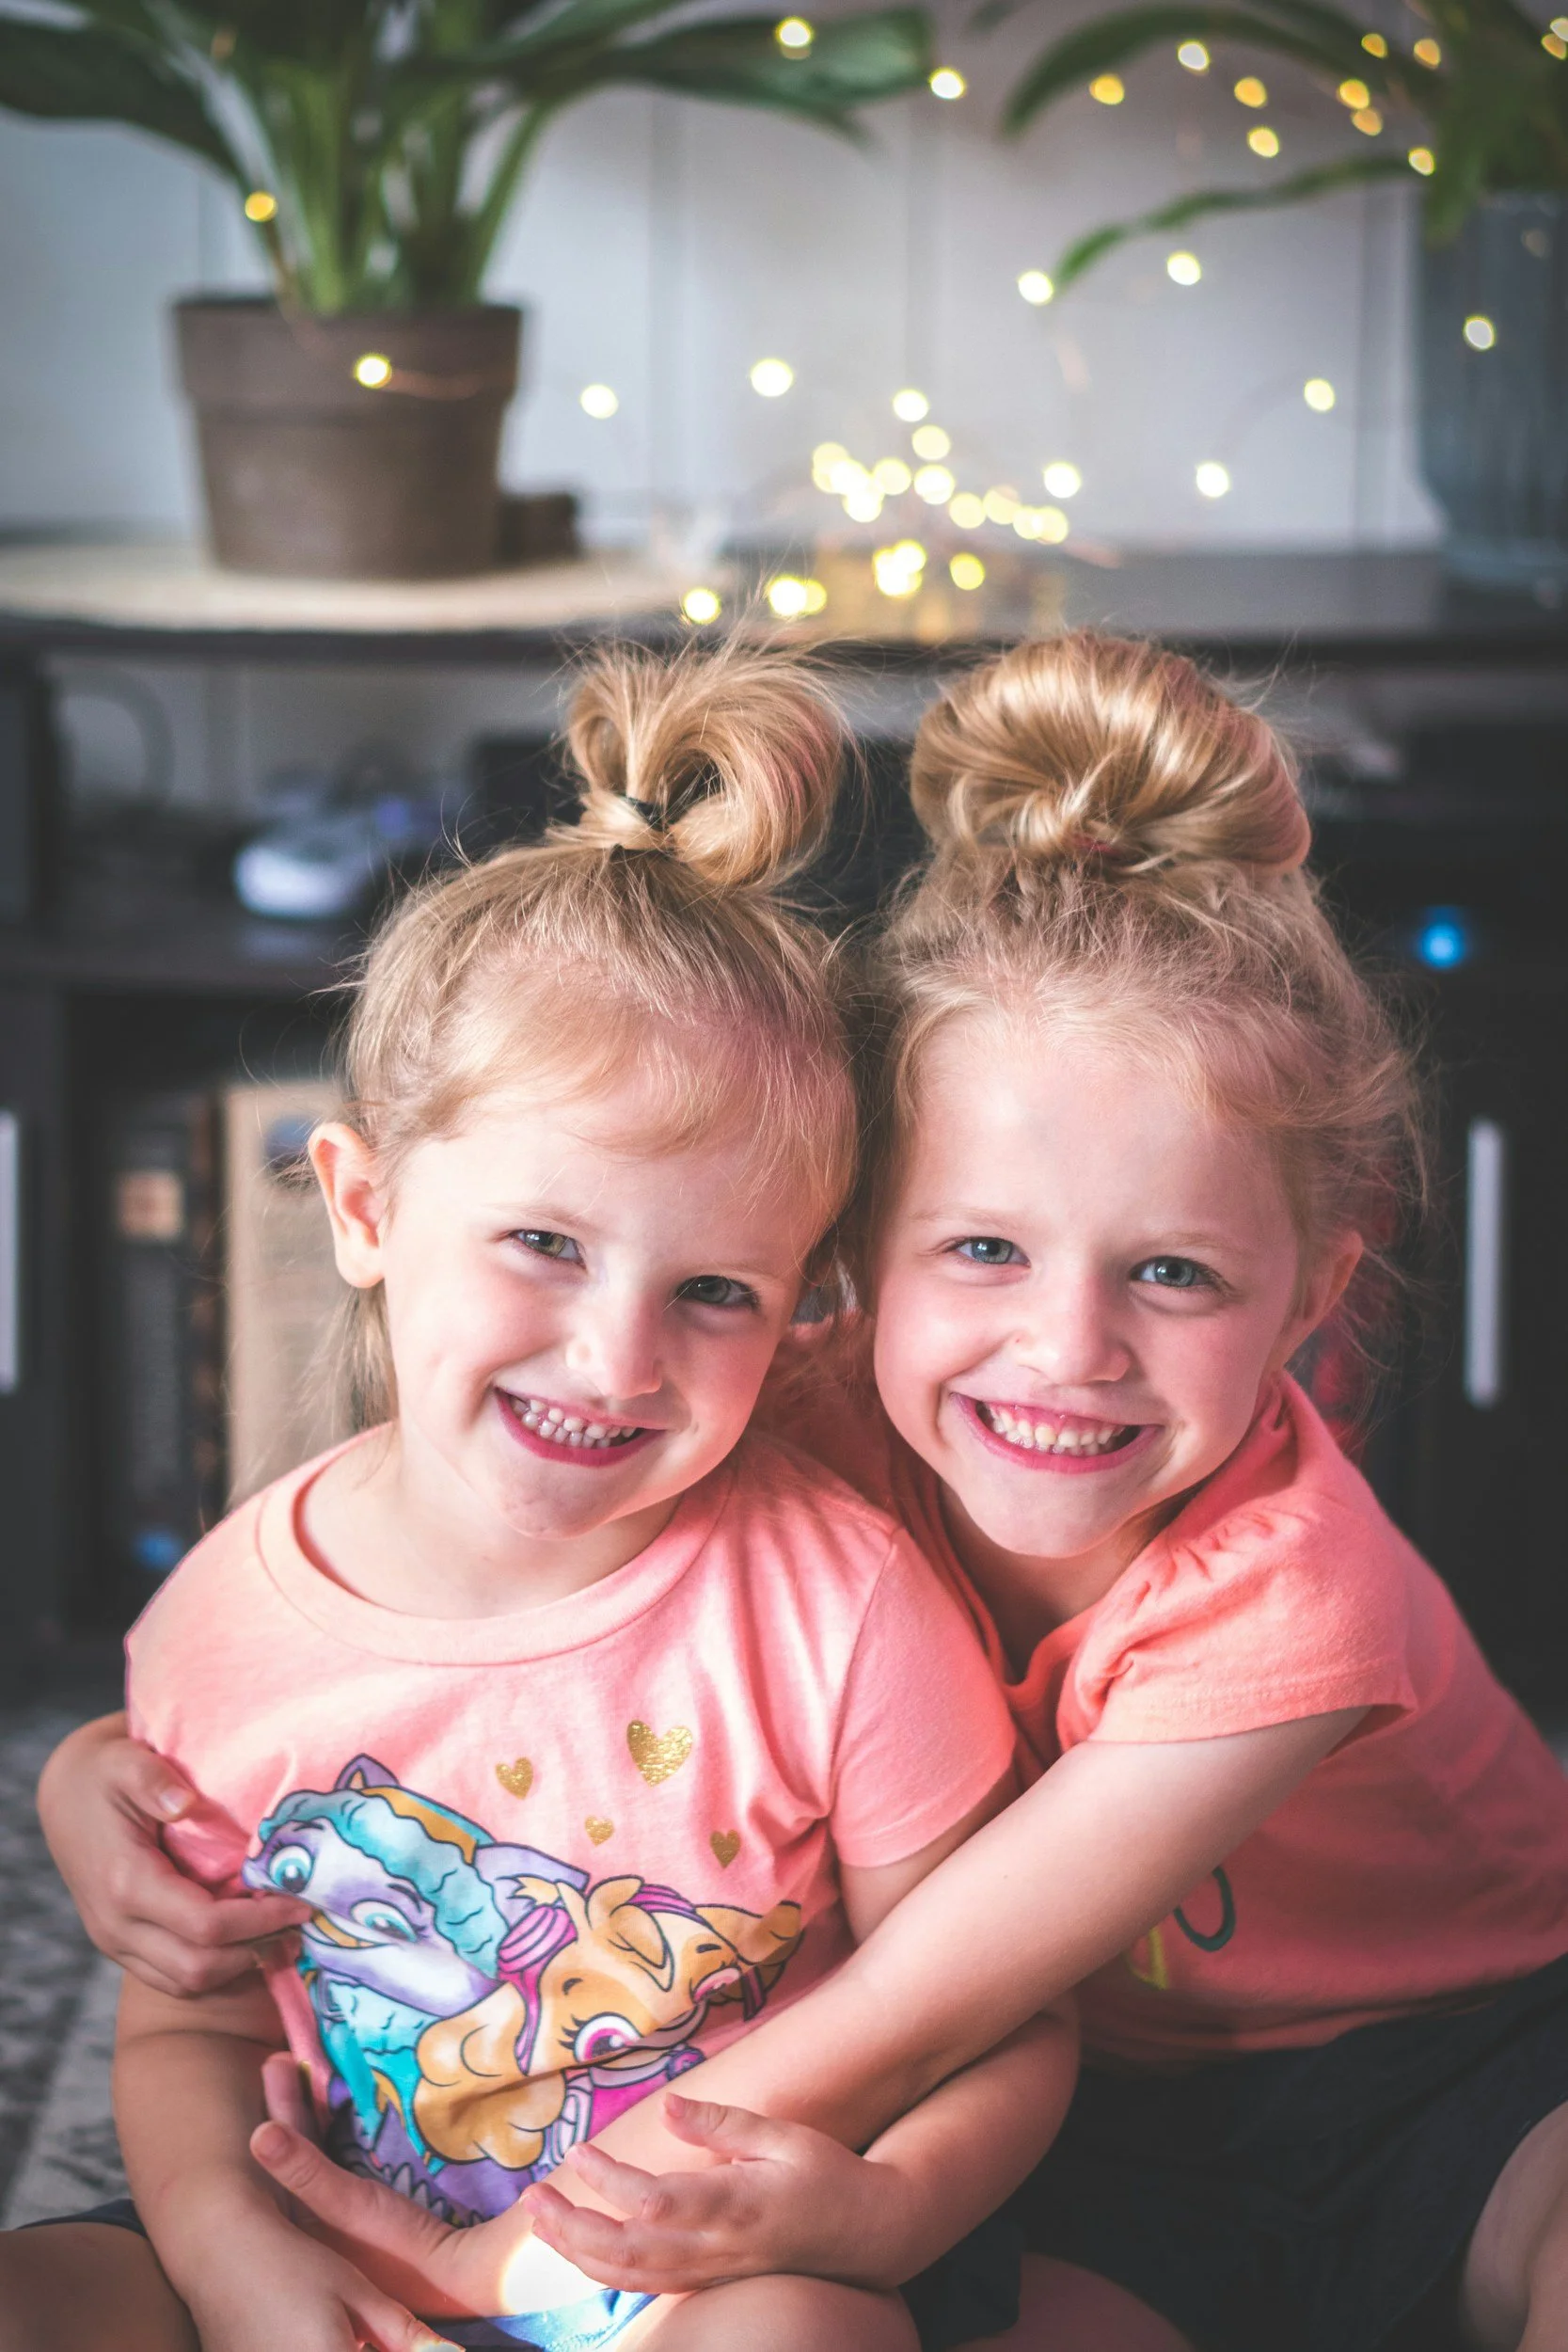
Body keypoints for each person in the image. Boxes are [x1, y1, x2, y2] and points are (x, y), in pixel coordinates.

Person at [39, 631, 1568, 2352]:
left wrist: (505, 2271)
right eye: (980, 1248)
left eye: (1176, 1277)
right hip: (1089, 2131)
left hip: (1461, 2058)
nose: (1064, 1352)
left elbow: (926, 1998)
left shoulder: (1296, 1596)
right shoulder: (762, 1411)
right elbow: (380, 1660)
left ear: (1308, 1295)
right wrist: (100, 1775)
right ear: (851, 1265)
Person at [0, 642, 1075, 2352]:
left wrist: (890, 2206)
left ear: (803, 1301)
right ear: (359, 1207)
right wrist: (233, 2266)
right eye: (545, 1245)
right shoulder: (220, 1623)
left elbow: (991, 2018)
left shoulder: (842, 1607)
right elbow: (186, 2034)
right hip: (331, 2237)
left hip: (708, 2278)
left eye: (714, 1292)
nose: (613, 1355)